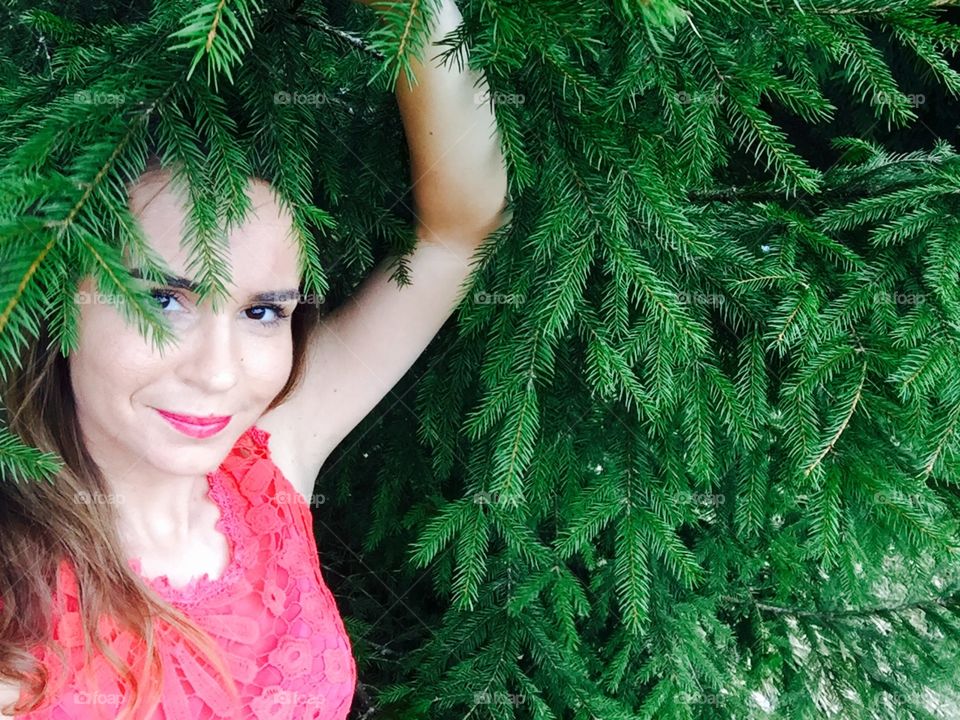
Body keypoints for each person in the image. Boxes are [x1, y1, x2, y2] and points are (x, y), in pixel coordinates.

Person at [0, 0, 510, 716]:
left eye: (263, 312)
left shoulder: (267, 463)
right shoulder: (15, 599)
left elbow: (459, 235)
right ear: (54, 294)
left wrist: (418, 11)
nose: (218, 373)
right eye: (163, 300)